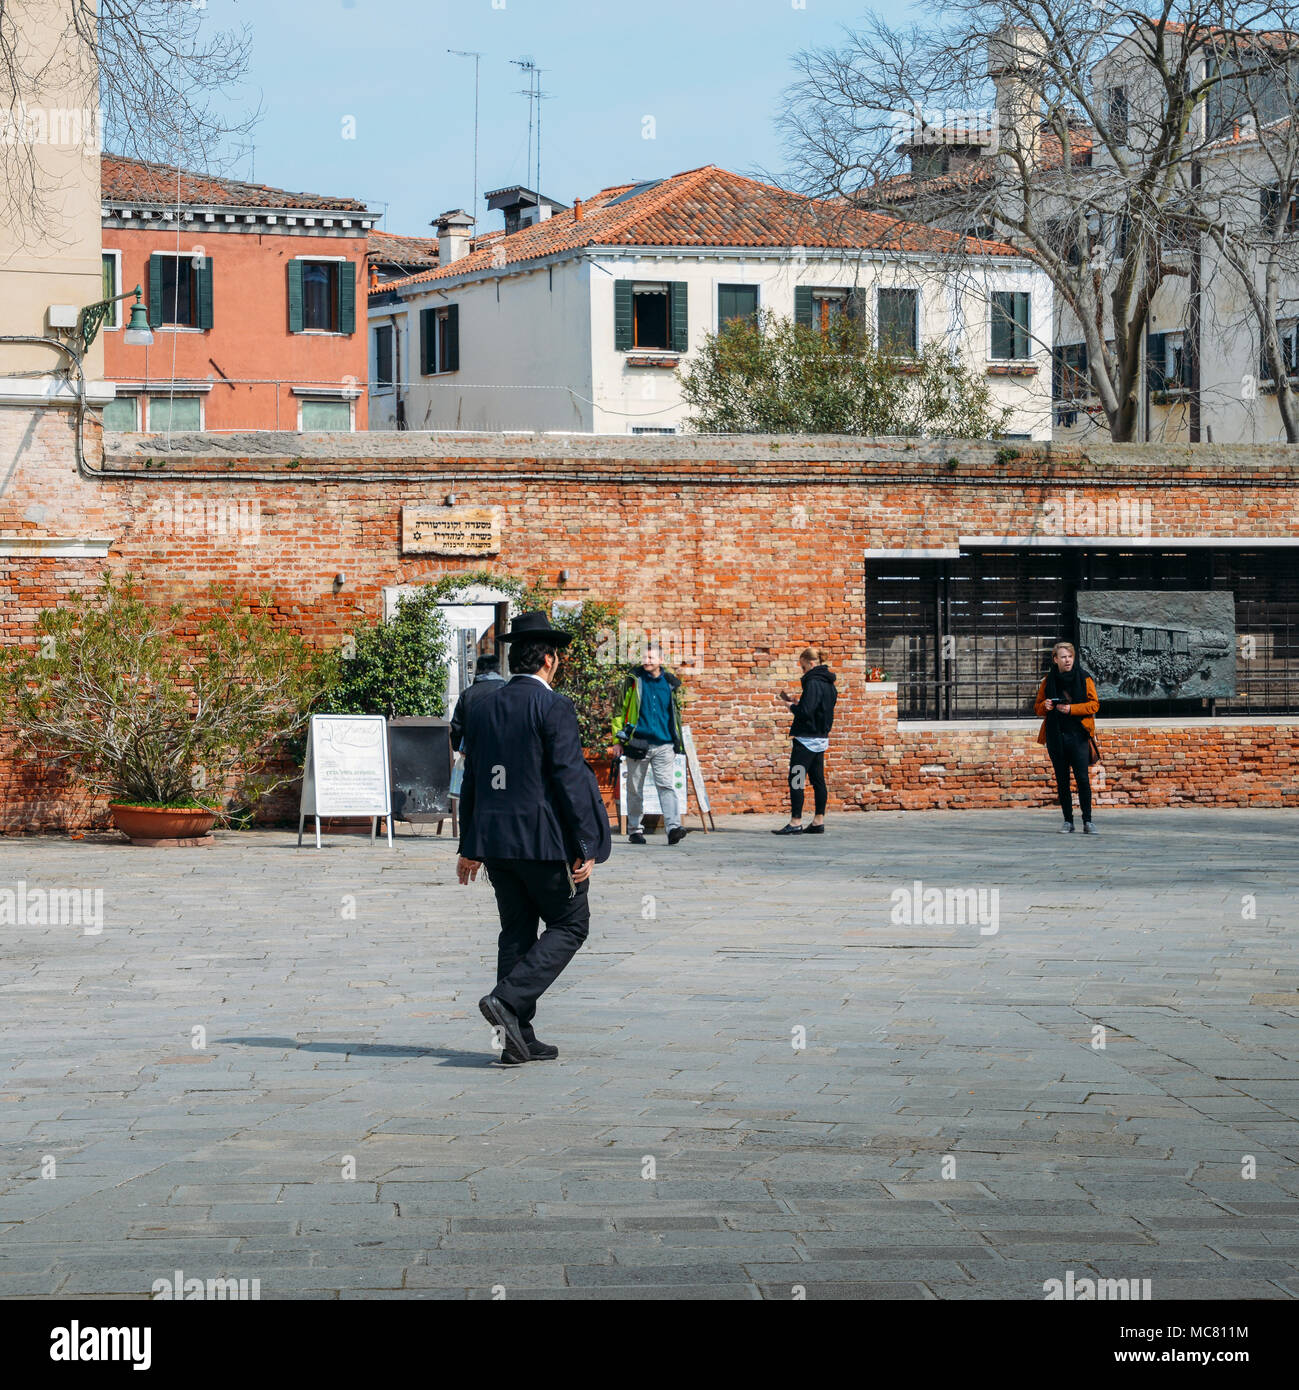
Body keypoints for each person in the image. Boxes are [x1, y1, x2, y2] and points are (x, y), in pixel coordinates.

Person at [456, 612, 612, 1065]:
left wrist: (470, 845)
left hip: (498, 844)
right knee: (570, 924)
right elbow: (567, 778)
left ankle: (515, 1038)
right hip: (544, 842)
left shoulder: (483, 706)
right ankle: (508, 1000)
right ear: (548, 659)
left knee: (517, 931)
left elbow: (472, 781)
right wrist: (586, 843)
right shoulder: (554, 706)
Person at [611, 642, 687, 846]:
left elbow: (675, 714)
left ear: (661, 660)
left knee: (666, 786)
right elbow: (619, 710)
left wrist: (677, 740)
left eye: (651, 658)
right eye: (644, 657)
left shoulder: (670, 683)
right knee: (635, 788)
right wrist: (618, 740)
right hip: (638, 742)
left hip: (664, 744)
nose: (646, 661)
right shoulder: (633, 681)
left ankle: (673, 828)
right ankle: (635, 830)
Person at [1034, 641, 1101, 834]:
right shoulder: (1048, 681)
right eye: (1063, 657)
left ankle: (1087, 821)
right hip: (1056, 736)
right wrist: (1044, 706)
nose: (1067, 660)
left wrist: (1072, 709)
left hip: (1079, 735)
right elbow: (1037, 707)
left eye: (1070, 656)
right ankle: (1067, 821)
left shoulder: (1084, 677)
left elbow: (1094, 705)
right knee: (1062, 780)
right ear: (1055, 660)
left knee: (1082, 779)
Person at [772, 646, 837, 835]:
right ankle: (818, 821)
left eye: (803, 667)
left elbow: (805, 712)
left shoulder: (812, 682)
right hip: (821, 738)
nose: (803, 671)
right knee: (818, 780)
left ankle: (795, 822)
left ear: (811, 663)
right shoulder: (829, 684)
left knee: (797, 779)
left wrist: (790, 706)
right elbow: (819, 709)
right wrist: (800, 703)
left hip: (806, 741)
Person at [449, 651, 506, 753]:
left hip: (474, 754)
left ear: (478, 669)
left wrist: (457, 746)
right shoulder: (508, 689)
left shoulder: (467, 694)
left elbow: (456, 726)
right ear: (498, 669)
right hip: (503, 753)